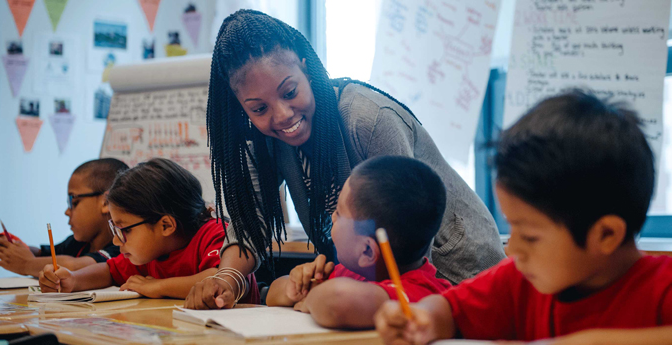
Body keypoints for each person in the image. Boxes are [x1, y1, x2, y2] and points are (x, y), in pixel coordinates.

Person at [185, 9, 504, 310]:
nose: (281, 115)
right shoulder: (262, 140)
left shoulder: (367, 119)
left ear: (306, 68)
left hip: (455, 274)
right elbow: (250, 224)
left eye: (289, 91)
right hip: (378, 283)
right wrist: (227, 279)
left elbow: (406, 223)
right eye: (258, 109)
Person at [374, 90, 672, 344]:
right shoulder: (518, 281)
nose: (512, 249)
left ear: (606, 235)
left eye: (529, 236)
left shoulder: (662, 288)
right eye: (513, 228)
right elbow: (448, 310)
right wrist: (422, 319)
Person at [266, 156, 452, 328]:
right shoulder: (352, 272)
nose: (332, 217)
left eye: (339, 213)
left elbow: (337, 302)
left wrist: (313, 297)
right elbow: (272, 294)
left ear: (367, 251)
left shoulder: (424, 296)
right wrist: (295, 288)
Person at [39, 158, 260, 302]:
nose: (116, 242)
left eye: (123, 230)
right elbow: (109, 270)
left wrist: (158, 286)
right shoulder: (148, 252)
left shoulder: (214, 234)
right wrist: (73, 280)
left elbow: (217, 278)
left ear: (165, 225)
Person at [0, 159, 126, 277]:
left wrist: (25, 264)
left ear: (105, 202)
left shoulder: (122, 245)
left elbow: (74, 266)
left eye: (73, 201)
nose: (67, 212)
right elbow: (45, 254)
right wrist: (11, 247)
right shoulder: (79, 243)